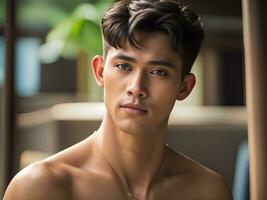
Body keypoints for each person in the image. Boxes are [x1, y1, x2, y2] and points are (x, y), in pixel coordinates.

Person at [4, 0, 233, 199]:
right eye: (124, 66)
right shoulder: (41, 186)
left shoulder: (208, 191)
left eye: (158, 72)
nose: (136, 88)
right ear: (100, 71)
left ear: (184, 87)